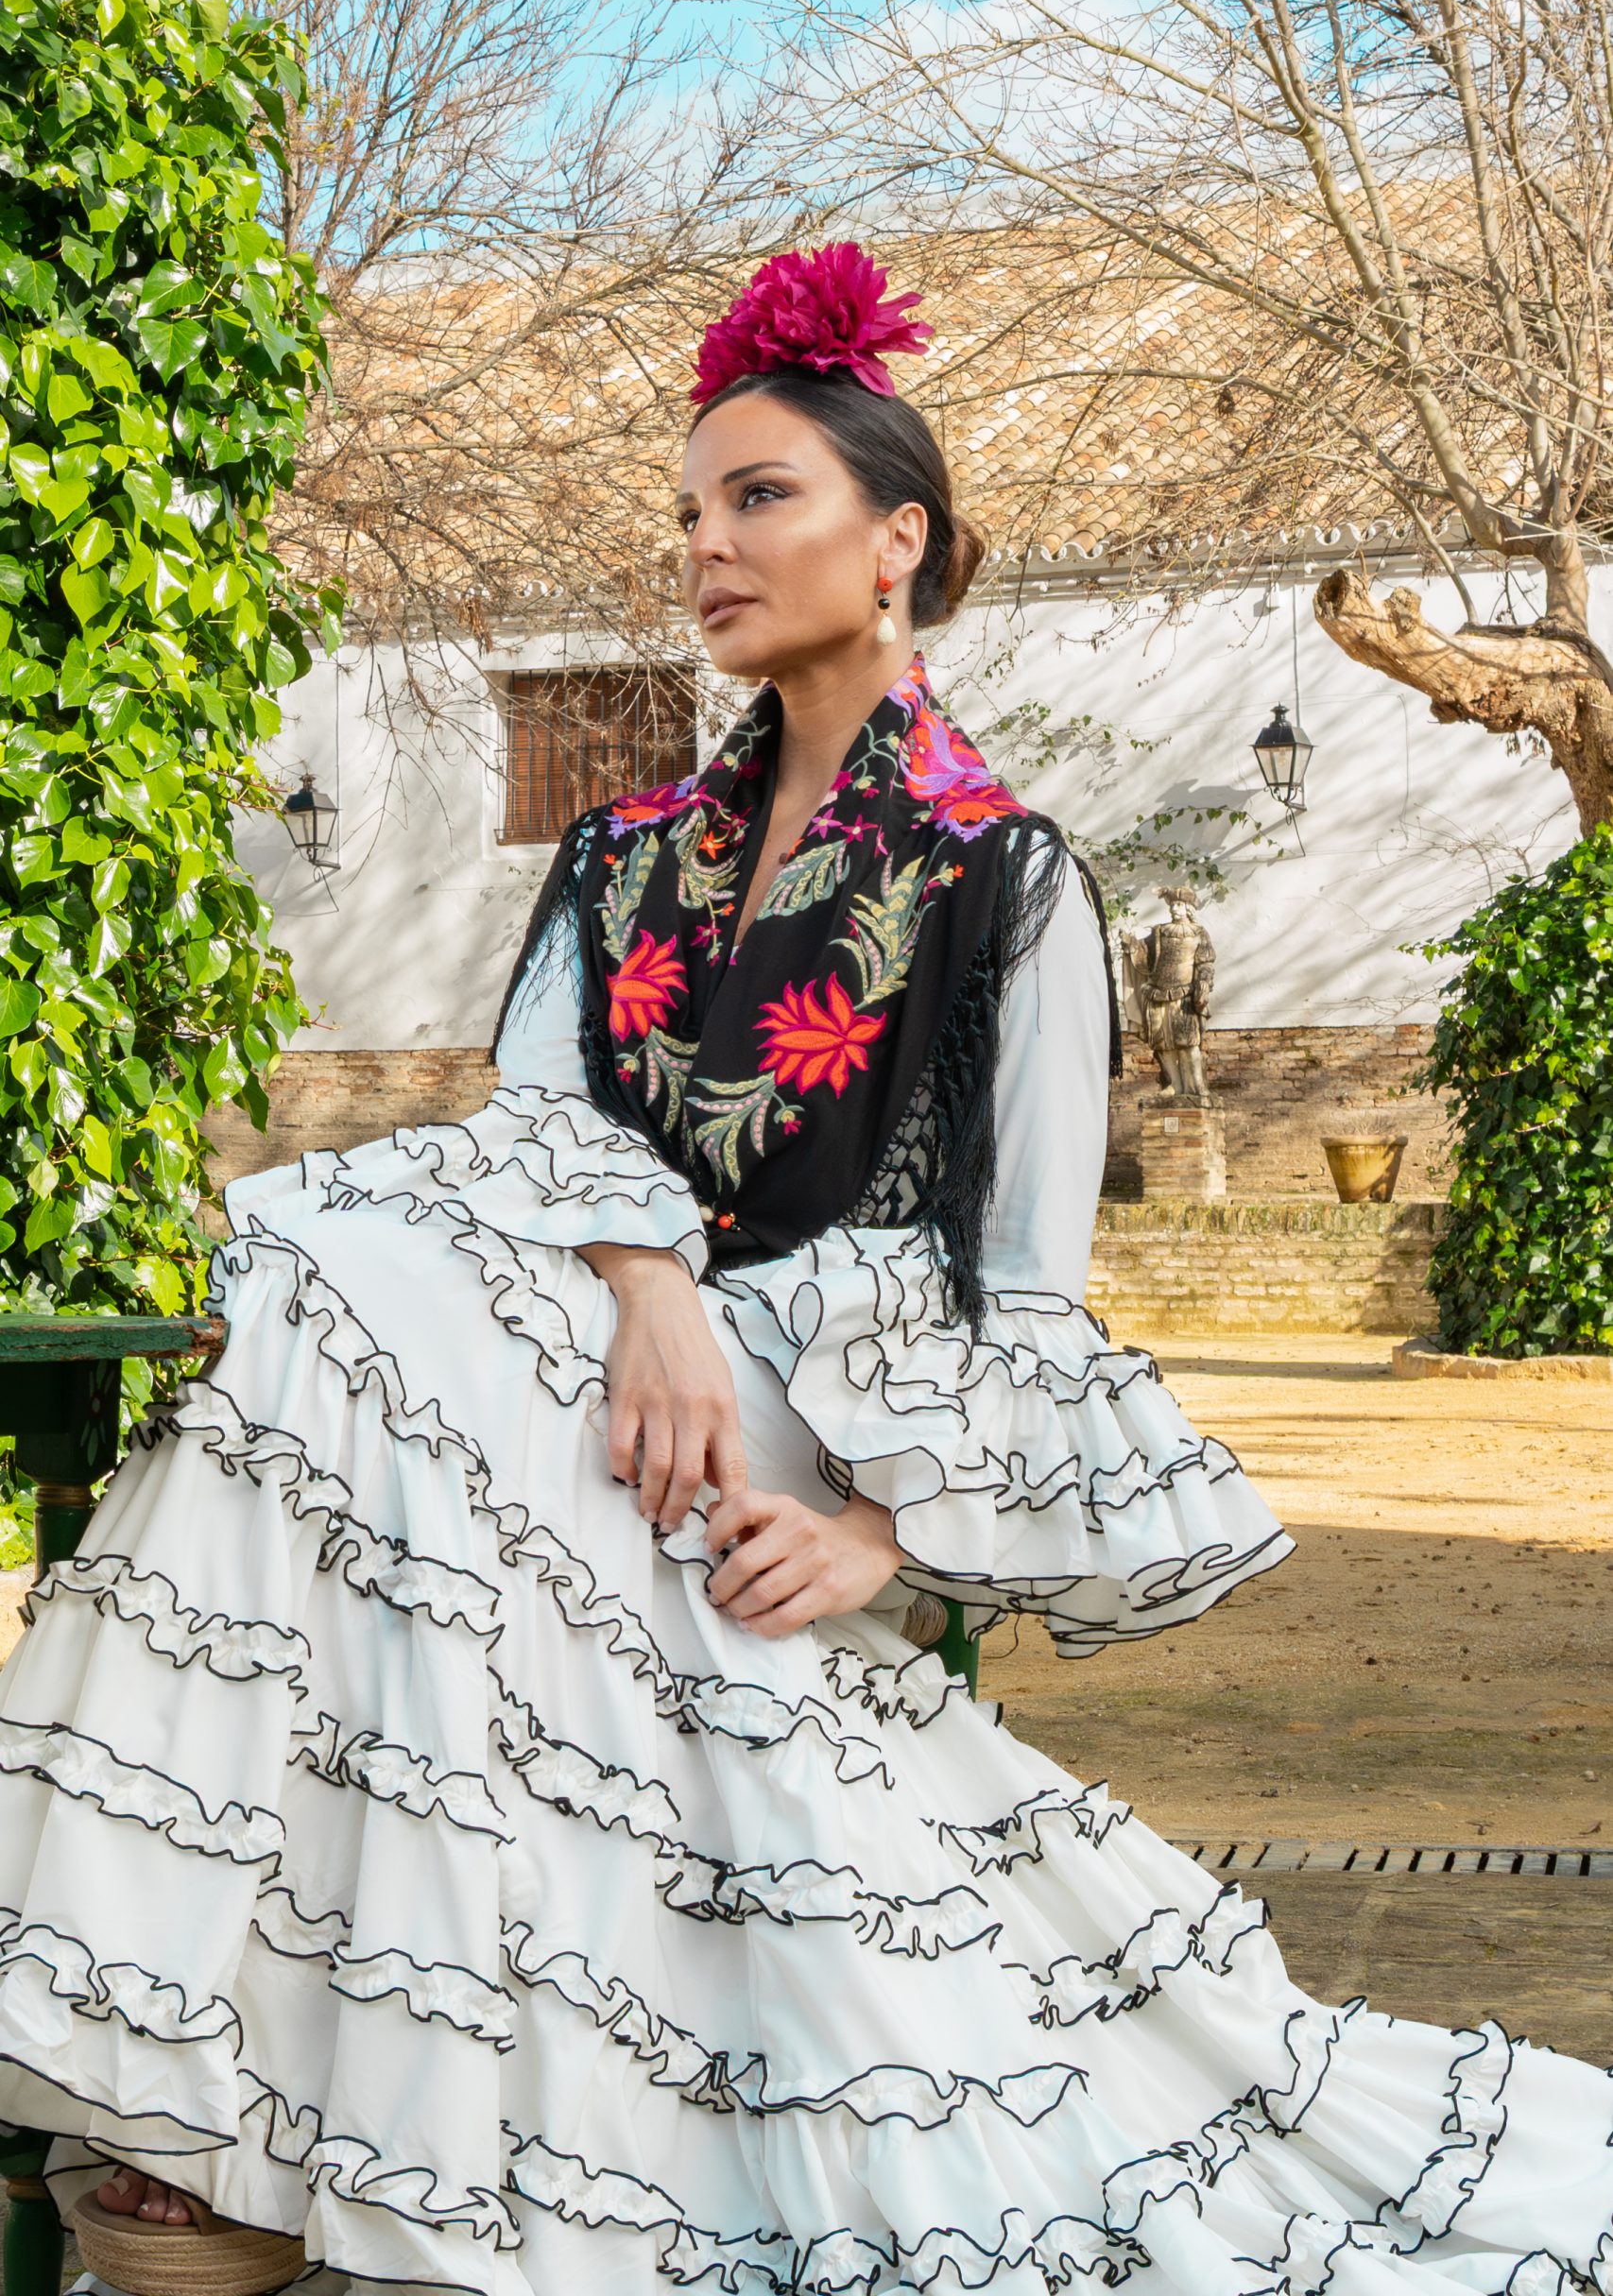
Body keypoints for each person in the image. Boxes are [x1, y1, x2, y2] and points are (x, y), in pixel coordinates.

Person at [1, 242, 1609, 2296]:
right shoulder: (620, 856)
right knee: (359, 1282)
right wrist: (652, 1288)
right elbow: (525, 1130)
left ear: (897, 537)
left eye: (758, 496)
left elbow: (1026, 1283)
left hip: (808, 1395)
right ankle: (239, 2088)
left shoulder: (1002, 876)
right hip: (591, 1337)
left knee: (360, 1308)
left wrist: (882, 1535)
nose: (705, 544)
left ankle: (233, 2099)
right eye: (690, 507)